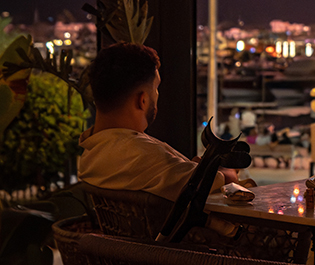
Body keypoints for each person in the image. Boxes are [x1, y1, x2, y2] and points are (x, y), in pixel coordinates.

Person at [78, 43, 240, 202]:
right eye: (156, 88)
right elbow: (212, 182)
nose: (157, 95)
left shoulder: (92, 151)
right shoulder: (137, 154)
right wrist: (228, 172)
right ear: (142, 100)